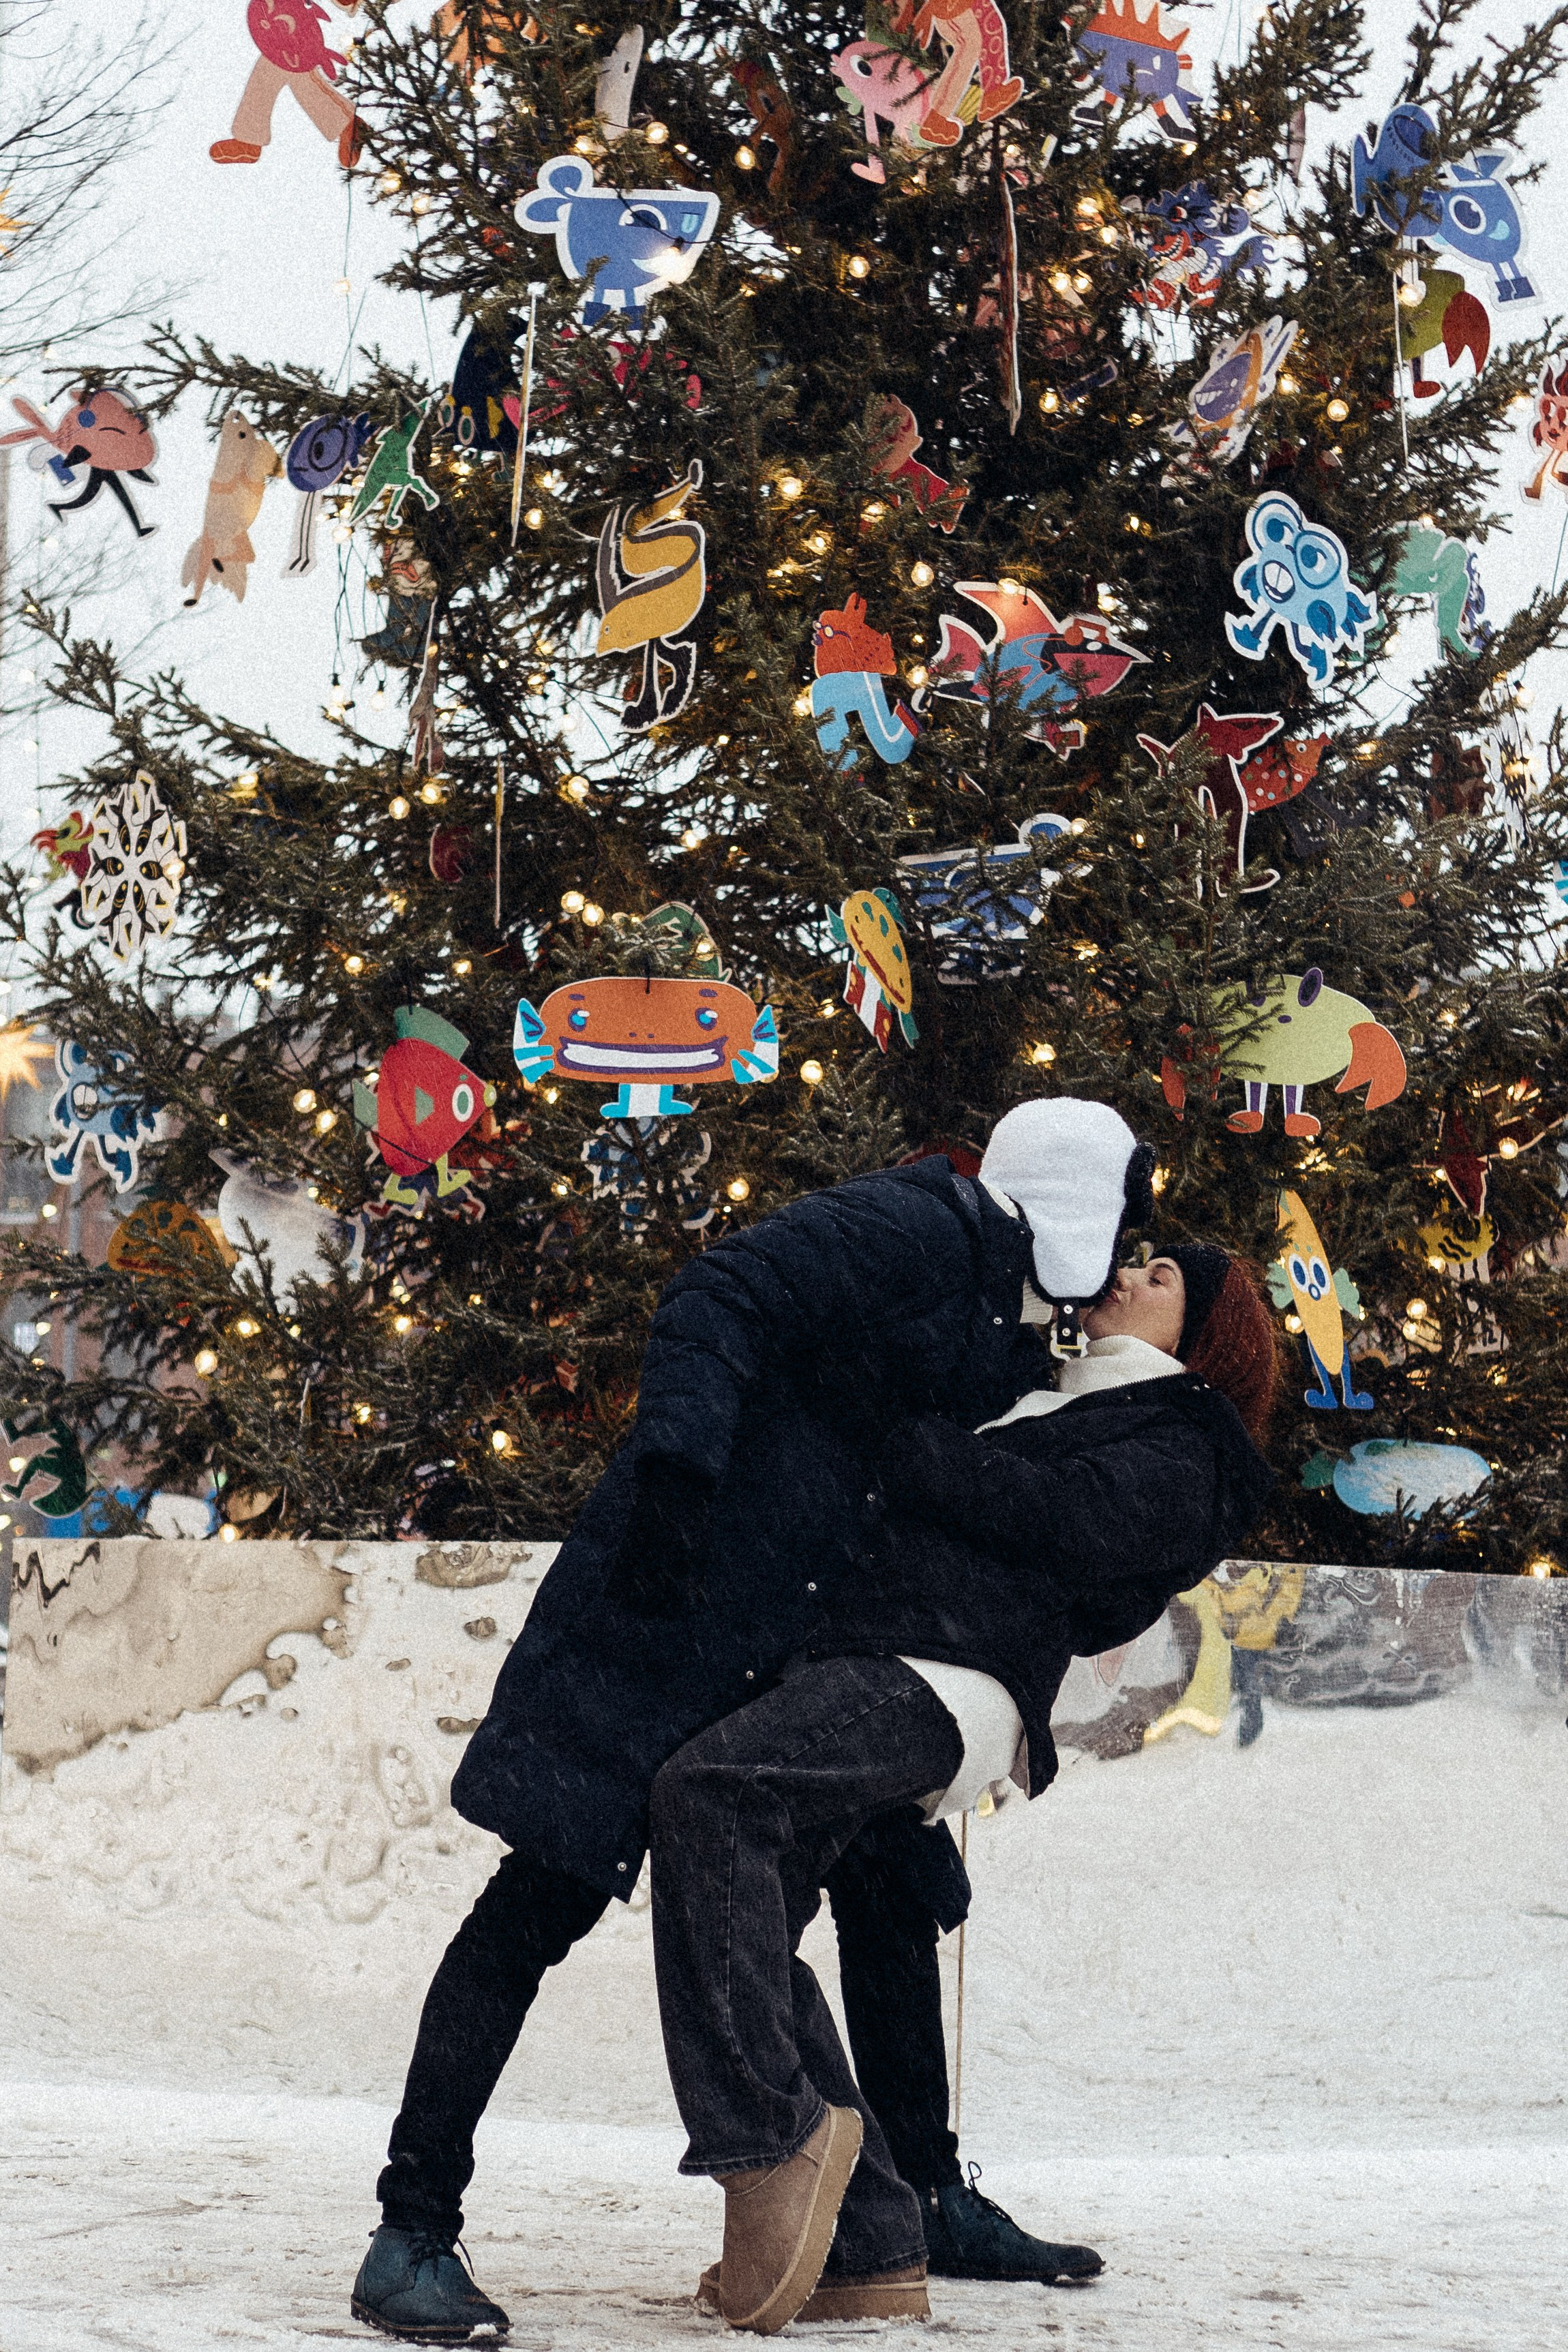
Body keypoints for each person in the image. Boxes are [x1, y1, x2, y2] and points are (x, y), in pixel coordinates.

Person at [350, 1097, 1154, 2340]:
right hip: (662, 1616)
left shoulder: (1003, 1319)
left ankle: (924, 2197)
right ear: (1080, 1204)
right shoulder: (915, 1228)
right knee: (536, 1907)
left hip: (790, 1643)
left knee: (895, 1885)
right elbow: (717, 1295)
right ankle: (411, 2229)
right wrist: (676, 1485)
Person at [652, 1246, 1277, 2333]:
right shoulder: (1035, 1381)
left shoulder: (1193, 1439)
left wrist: (896, 1444)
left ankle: (771, 2140)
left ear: (1211, 1332)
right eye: (1131, 1258)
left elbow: (1067, 1525)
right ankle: (867, 2240)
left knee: (708, 1794)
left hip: (946, 1679)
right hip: (871, 1654)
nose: (1128, 1272)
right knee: (742, 1903)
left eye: (1164, 1273)